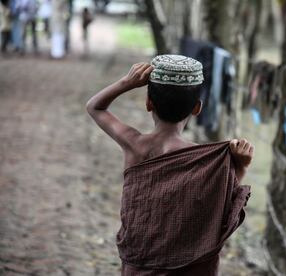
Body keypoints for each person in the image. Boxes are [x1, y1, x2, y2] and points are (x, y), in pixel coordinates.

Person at [86, 55, 253, 275]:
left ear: (148, 103)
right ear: (197, 108)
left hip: (139, 264)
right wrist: (241, 166)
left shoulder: (135, 144)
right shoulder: (206, 160)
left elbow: (95, 107)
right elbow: (219, 213)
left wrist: (127, 82)